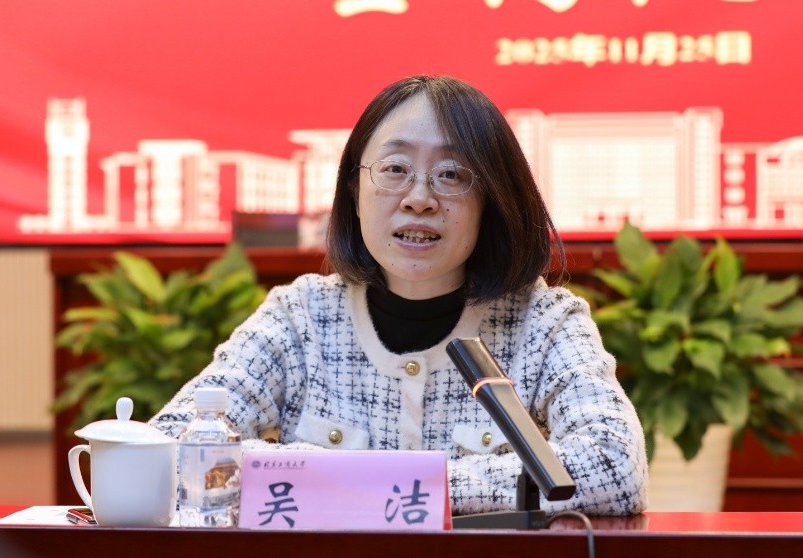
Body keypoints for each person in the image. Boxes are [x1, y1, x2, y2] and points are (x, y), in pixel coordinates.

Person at [150, 75, 648, 516]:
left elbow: (614, 467)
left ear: (491, 200)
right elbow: (167, 450)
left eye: (451, 174)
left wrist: (382, 483)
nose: (419, 198)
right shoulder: (301, 318)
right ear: (354, 190)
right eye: (394, 169)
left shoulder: (545, 322)